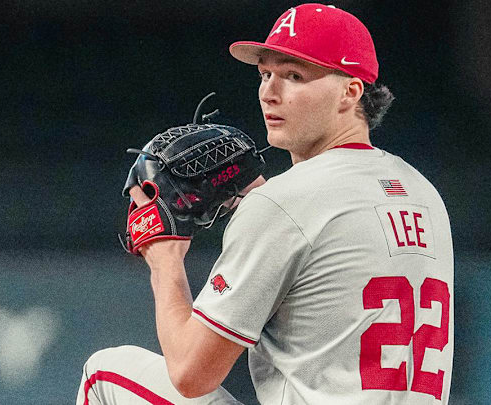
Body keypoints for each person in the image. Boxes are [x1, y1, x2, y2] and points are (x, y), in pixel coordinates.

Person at [77, 3, 454, 404]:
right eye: (266, 73)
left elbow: (190, 373)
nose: (270, 92)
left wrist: (164, 260)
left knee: (104, 372)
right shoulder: (422, 191)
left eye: (294, 76)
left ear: (351, 91)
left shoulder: (283, 205)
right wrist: (264, 205)